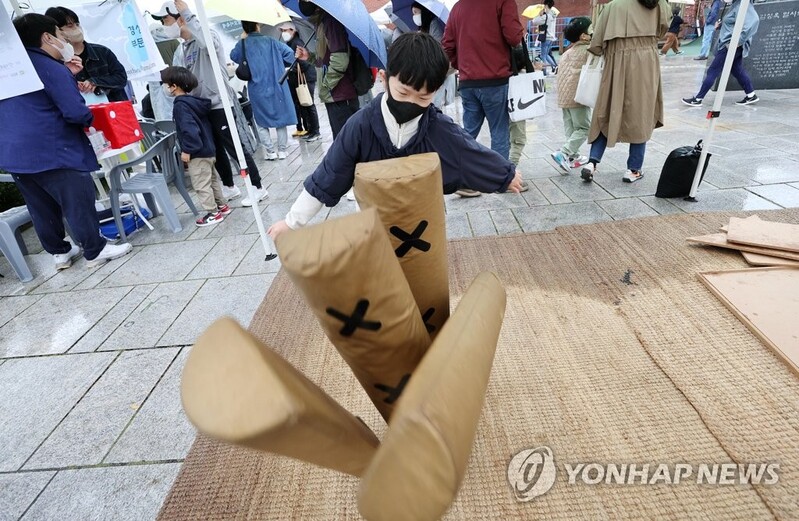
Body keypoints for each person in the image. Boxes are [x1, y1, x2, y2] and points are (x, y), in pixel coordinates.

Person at [267, 33, 524, 239]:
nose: (412, 102)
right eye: (403, 93)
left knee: (422, 289)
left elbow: (469, 152)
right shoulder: (360, 127)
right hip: (371, 228)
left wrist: (505, 174)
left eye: (424, 97)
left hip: (421, 228)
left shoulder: (438, 127)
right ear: (384, 78)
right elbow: (328, 174)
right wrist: (291, 222)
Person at [0, 14, 131, 270]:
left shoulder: (10, 68)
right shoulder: (47, 65)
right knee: (76, 200)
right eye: (61, 35)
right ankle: (95, 249)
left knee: (40, 206)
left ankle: (60, 253)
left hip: (13, 153)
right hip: (55, 147)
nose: (65, 40)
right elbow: (74, 111)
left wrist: (67, 74)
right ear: (47, 37)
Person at [151, 0, 267, 207]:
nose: (164, 25)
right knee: (215, 150)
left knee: (234, 148)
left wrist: (188, 13)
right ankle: (230, 186)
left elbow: (208, 43)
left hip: (219, 104)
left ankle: (257, 187)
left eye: (166, 19)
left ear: (180, 19)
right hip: (201, 107)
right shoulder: (183, 49)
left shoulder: (206, 36)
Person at [580, 0, 670, 184]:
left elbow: (596, 45)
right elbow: (663, 29)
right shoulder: (658, 3)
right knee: (640, 114)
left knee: (606, 110)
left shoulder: (612, 6)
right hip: (646, 62)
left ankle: (592, 162)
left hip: (616, 64)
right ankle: (633, 169)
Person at [442, 0, 525, 197]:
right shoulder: (502, 1)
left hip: (468, 80)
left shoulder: (458, 7)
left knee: (467, 133)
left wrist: (462, 63)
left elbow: (447, 45)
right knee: (499, 130)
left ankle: (462, 180)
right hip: (495, 79)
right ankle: (501, 180)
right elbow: (514, 37)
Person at [162, 66, 231, 227]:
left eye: (167, 84)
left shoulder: (180, 106)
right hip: (208, 149)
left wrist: (187, 150)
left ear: (175, 86)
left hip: (197, 152)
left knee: (201, 184)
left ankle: (213, 213)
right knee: (212, 180)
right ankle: (221, 205)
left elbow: (189, 130)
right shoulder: (194, 103)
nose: (166, 88)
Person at [231, 21, 296, 161]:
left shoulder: (243, 43)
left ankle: (270, 152)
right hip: (277, 85)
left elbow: (233, 56)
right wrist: (280, 63)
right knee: (281, 119)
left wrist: (242, 39)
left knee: (261, 121)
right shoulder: (271, 41)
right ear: (257, 26)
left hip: (257, 88)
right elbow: (290, 54)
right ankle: (282, 150)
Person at [294, 0, 360, 140]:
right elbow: (325, 59)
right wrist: (309, 57)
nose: (302, 2)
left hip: (341, 96)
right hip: (335, 96)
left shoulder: (330, 23)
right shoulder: (322, 23)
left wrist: (326, 85)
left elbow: (340, 60)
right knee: (343, 142)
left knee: (347, 143)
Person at [682, 0, 760, 107]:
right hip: (730, 45)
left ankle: (698, 99)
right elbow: (734, 21)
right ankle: (751, 95)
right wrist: (721, 25)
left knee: (713, 70)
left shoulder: (742, 4)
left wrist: (738, 41)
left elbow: (753, 21)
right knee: (737, 70)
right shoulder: (736, 5)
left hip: (730, 45)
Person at [44, 6, 129, 102]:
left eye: (77, 24)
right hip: (83, 112)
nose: (77, 29)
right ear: (57, 31)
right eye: (70, 26)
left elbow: (121, 78)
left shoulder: (102, 52)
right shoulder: (54, 61)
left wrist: (95, 82)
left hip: (115, 110)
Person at [550, 17, 592, 172]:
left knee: (571, 128)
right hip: (577, 97)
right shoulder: (588, 50)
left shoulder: (568, 52)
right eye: (591, 29)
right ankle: (564, 153)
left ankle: (573, 156)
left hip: (564, 97)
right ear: (583, 35)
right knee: (584, 128)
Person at [279, 21, 321, 142]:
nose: (283, 33)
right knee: (303, 104)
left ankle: (316, 131)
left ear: (293, 31)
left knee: (309, 103)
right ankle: (309, 129)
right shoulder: (290, 43)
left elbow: (304, 62)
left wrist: (292, 68)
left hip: (306, 78)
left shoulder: (297, 43)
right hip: (299, 78)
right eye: (282, 31)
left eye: (285, 30)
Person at [509, 37, 541, 168]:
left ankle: (502, 167)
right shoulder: (525, 77)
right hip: (518, 114)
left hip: (503, 112)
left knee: (505, 140)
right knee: (518, 141)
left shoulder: (505, 75)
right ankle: (509, 169)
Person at [531, 0, 559, 74]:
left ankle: (544, 72)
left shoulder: (546, 16)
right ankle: (555, 66)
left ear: (546, 5)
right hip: (551, 38)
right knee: (546, 54)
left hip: (545, 38)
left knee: (543, 56)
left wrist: (539, 15)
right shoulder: (553, 15)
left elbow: (534, 21)